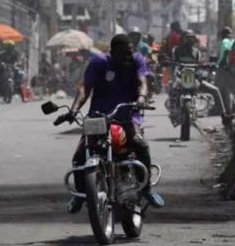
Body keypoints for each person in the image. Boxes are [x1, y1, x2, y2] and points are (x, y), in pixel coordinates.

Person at [63, 33, 164, 213]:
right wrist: (74, 109)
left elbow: (143, 82)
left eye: (129, 52)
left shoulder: (137, 60)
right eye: (123, 53)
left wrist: (141, 98)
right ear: (112, 52)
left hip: (128, 115)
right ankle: (80, 194)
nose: (127, 57)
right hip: (98, 116)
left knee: (140, 144)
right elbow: (85, 87)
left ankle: (146, 188)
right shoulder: (99, 62)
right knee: (80, 155)